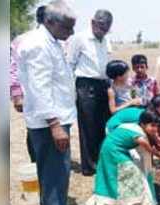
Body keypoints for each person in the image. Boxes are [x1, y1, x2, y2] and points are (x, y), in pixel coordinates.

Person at [16, 1, 76, 205]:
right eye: (67, 27)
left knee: (55, 176)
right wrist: (55, 124)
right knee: (54, 177)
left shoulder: (51, 40)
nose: (71, 33)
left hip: (56, 118)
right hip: (50, 122)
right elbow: (39, 87)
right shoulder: (38, 45)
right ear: (50, 22)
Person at [82, 111, 160, 205]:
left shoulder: (138, 128)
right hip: (113, 151)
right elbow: (154, 152)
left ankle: (129, 202)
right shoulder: (140, 137)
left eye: (157, 126)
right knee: (133, 174)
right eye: (152, 126)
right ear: (142, 124)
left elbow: (159, 142)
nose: (155, 129)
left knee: (125, 175)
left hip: (113, 148)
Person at [66, 9, 113, 176]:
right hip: (86, 86)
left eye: (107, 28)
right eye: (101, 26)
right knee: (88, 126)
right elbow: (69, 64)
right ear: (93, 22)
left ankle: (102, 161)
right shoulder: (79, 39)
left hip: (103, 85)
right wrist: (71, 92)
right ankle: (89, 166)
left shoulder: (106, 40)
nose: (103, 31)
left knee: (104, 124)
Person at [10, 5, 46, 163]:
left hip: (54, 95)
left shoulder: (61, 41)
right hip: (31, 93)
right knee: (34, 127)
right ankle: (36, 162)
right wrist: (17, 94)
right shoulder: (23, 40)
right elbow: (13, 68)